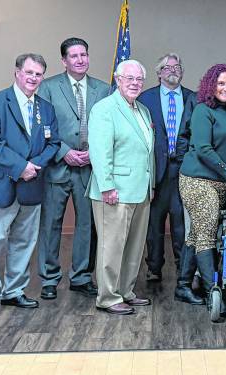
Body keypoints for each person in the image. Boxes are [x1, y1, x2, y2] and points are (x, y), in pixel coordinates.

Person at [0, 53, 61, 317]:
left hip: (31, 185)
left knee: (23, 242)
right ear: (17, 73)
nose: (33, 78)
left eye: (38, 74)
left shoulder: (46, 108)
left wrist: (34, 165)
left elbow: (53, 143)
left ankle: (14, 291)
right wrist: (21, 167)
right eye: (29, 72)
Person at [36, 38, 108, 300]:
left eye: (84, 55)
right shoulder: (48, 87)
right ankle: (49, 278)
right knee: (50, 225)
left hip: (90, 168)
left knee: (87, 225)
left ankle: (80, 276)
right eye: (74, 56)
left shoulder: (104, 89)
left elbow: (108, 127)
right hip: (57, 166)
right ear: (64, 60)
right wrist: (64, 152)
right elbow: (41, 128)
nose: (80, 60)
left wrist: (94, 153)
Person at [177, 64, 226, 316]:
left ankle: (183, 286)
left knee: (196, 234)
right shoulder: (201, 110)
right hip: (197, 179)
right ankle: (212, 293)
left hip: (221, 182)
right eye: (220, 83)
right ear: (210, 85)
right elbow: (204, 149)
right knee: (207, 236)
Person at [88, 59, 154, 315]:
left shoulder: (143, 110)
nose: (135, 83)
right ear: (118, 80)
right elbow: (100, 151)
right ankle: (107, 296)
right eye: (130, 78)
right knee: (111, 247)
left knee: (133, 247)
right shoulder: (105, 109)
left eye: (139, 79)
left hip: (140, 190)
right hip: (114, 190)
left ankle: (125, 291)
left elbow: (147, 152)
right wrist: (107, 186)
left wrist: (151, 185)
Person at [136, 53, 195, 283]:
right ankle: (154, 267)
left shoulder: (193, 98)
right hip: (156, 169)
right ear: (158, 73)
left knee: (181, 222)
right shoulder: (145, 99)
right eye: (167, 66)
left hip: (183, 169)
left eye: (177, 66)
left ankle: (183, 268)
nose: (173, 69)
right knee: (154, 223)